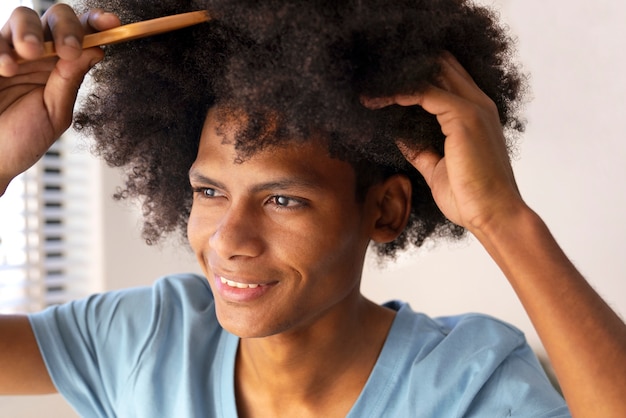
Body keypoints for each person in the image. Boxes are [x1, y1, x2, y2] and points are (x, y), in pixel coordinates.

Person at [0, 0, 625, 417]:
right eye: (210, 192)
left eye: (282, 199)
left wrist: (502, 218)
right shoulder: (150, 339)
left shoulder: (465, 385)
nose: (229, 240)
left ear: (385, 211)